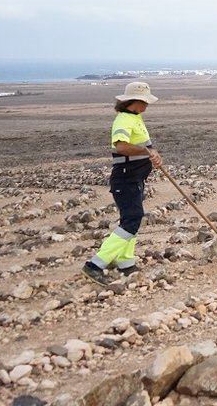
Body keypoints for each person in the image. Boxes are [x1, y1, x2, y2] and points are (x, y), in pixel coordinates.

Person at [82, 82, 163, 286]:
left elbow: (145, 146)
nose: (147, 105)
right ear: (135, 102)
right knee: (132, 219)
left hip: (135, 178)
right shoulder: (123, 120)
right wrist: (146, 152)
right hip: (125, 179)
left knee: (131, 219)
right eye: (145, 101)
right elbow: (122, 147)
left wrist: (153, 154)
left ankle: (126, 263)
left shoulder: (135, 118)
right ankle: (95, 265)